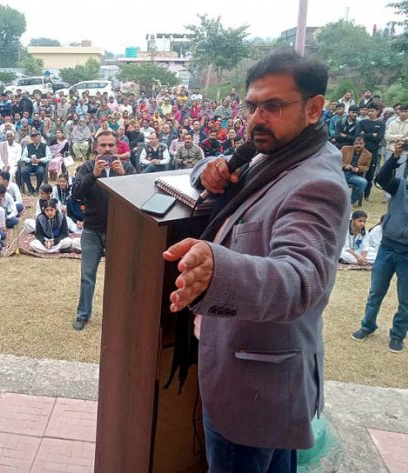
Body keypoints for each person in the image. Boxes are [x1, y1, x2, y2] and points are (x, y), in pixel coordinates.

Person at [162, 51, 349, 470]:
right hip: (257, 374)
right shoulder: (273, 153)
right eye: (252, 105)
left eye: (273, 106)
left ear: (314, 108)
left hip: (255, 385)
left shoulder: (316, 183)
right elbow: (219, 175)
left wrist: (218, 269)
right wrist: (207, 171)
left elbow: (301, 278)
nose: (257, 118)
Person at [351, 141, 408, 353]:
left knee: (406, 300)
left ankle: (398, 335)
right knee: (375, 292)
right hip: (387, 248)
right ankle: (367, 325)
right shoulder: (399, 185)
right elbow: (380, 178)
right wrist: (395, 155)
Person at [72, 130, 137, 330]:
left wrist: (123, 176)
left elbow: (138, 194)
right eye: (103, 145)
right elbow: (76, 193)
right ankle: (83, 315)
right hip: (92, 230)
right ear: (96, 147)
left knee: (119, 276)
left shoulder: (126, 166)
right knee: (87, 275)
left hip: (119, 230)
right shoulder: (87, 167)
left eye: (111, 145)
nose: (107, 149)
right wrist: (93, 175)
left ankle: (120, 315)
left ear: (117, 147)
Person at [353, 103, 385, 199]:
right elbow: (358, 136)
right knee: (357, 171)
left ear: (377, 111)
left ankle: (367, 194)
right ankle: (356, 193)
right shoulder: (362, 123)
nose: (370, 113)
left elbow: (379, 138)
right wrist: (372, 135)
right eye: (369, 111)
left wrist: (365, 134)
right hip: (361, 151)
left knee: (370, 173)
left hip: (373, 152)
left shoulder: (381, 124)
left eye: (372, 111)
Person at [341, 136, 372, 205]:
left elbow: (367, 167)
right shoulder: (345, 149)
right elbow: (336, 160)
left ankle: (350, 202)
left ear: (364, 144)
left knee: (363, 182)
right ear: (353, 143)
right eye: (356, 143)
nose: (358, 145)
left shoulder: (368, 154)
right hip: (341, 173)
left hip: (354, 175)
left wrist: (359, 169)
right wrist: (345, 165)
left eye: (360, 143)